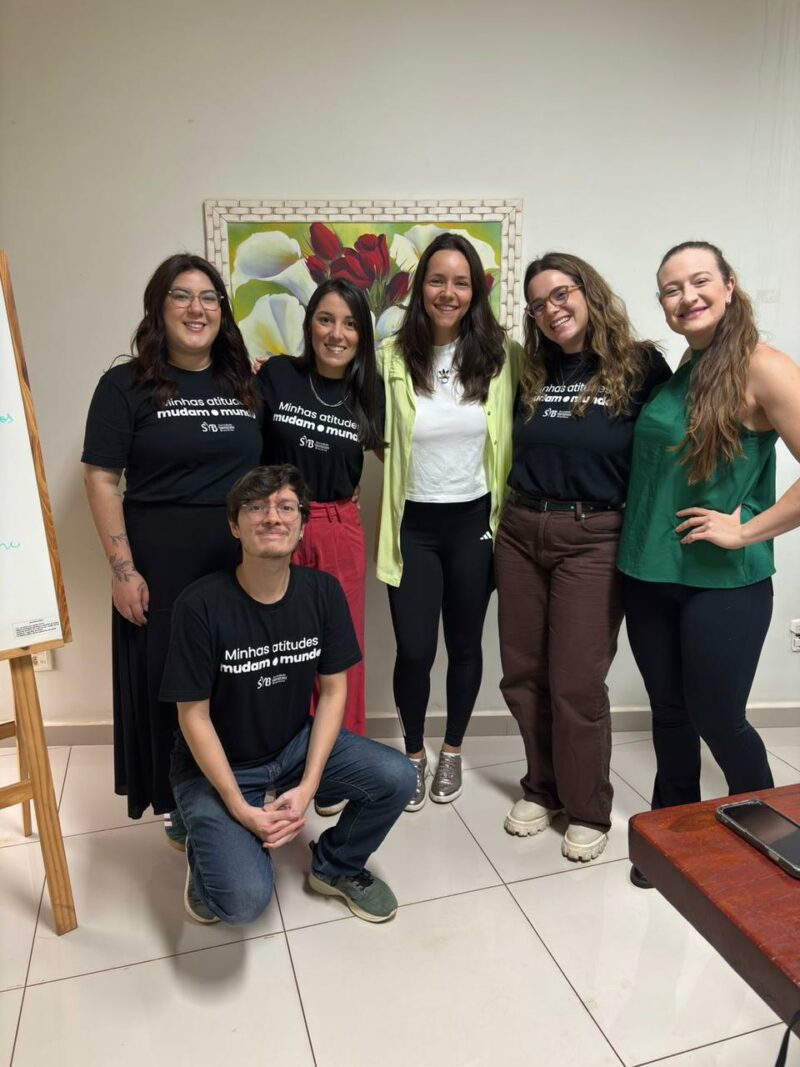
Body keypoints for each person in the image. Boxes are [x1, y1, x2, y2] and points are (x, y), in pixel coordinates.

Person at [618, 240, 800, 887]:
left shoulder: (763, 367)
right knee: (669, 713)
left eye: (699, 281)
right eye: (671, 288)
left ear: (728, 285)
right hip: (648, 574)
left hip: (723, 585)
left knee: (719, 719)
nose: (686, 296)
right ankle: (675, 837)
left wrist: (746, 529)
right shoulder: (685, 368)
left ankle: (774, 842)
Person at [160, 464, 415, 924]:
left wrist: (308, 786)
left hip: (292, 746)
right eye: (256, 507)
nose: (272, 517)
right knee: (241, 902)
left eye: (285, 507)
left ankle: (335, 866)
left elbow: (334, 692)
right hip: (220, 765)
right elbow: (192, 716)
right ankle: (200, 837)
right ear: (234, 525)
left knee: (397, 776)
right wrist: (240, 808)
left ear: (301, 524)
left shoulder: (323, 592)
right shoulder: (200, 605)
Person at [495, 253, 671, 862]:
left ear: (588, 291)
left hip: (594, 535)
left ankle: (588, 806)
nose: (551, 310)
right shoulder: (530, 370)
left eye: (561, 293)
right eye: (537, 304)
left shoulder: (641, 365)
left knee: (575, 680)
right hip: (521, 529)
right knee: (523, 673)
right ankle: (541, 788)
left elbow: (673, 440)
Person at [82, 253, 263, 843]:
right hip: (160, 565)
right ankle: (180, 807)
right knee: (171, 684)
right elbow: (101, 478)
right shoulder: (124, 386)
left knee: (235, 680)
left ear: (222, 312)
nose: (196, 308)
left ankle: (234, 790)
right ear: (159, 309)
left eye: (208, 297)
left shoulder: (244, 384)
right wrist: (122, 569)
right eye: (181, 296)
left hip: (237, 562)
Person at [377, 232, 522, 810]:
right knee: (414, 650)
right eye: (437, 280)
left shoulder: (503, 356)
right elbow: (344, 400)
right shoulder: (390, 356)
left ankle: (453, 749)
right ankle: (413, 754)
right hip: (412, 525)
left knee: (465, 646)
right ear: (420, 288)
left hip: (473, 524)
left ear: (475, 292)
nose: (448, 292)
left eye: (461, 282)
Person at [256, 279, 384, 749]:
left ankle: (340, 758)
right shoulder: (276, 374)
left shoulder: (370, 393)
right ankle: (280, 753)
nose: (336, 333)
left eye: (350, 324)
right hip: (275, 524)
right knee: (277, 646)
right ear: (310, 324)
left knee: (338, 652)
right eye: (326, 319)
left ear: (361, 335)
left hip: (337, 527)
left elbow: (406, 457)